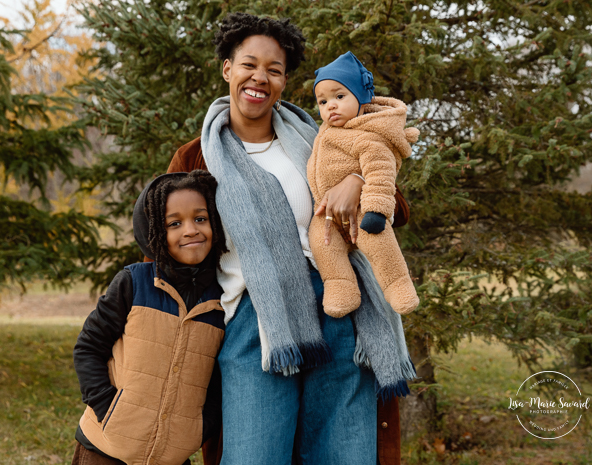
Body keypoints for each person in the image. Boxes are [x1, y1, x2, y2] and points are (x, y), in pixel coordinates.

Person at [167, 13, 411, 465]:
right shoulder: (196, 157)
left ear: (283, 81)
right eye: (248, 64)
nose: (260, 77)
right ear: (228, 69)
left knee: (344, 455)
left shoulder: (321, 139)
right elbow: (168, 243)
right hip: (256, 323)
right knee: (254, 455)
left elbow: (391, 199)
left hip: (341, 309)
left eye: (274, 69)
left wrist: (357, 178)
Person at [70, 170, 229, 465]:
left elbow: (220, 379)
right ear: (155, 230)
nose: (191, 230)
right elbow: (89, 348)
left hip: (172, 456)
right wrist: (109, 410)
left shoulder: (223, 299)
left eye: (200, 219)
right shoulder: (134, 283)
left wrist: (197, 430)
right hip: (105, 449)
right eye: (174, 223)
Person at [308, 51, 420, 317]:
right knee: (321, 244)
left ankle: (398, 285)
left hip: (362, 211)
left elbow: (381, 174)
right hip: (328, 216)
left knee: (380, 244)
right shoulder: (326, 133)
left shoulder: (368, 137)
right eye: (322, 101)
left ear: (361, 97)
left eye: (339, 96)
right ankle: (340, 286)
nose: (330, 106)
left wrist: (376, 211)